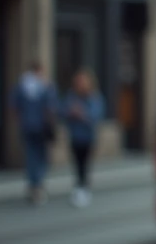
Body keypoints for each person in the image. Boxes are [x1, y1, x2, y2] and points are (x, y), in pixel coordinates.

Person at [12, 60, 59, 206]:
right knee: (40, 156)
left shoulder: (21, 85)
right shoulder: (45, 86)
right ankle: (37, 185)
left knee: (31, 155)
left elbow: (14, 106)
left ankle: (33, 184)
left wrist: (22, 119)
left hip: (27, 126)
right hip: (41, 127)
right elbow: (52, 107)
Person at [64, 68, 105, 208]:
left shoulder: (93, 97)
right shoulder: (72, 96)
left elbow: (95, 117)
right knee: (77, 164)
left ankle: (84, 189)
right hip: (75, 136)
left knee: (85, 164)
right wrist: (70, 113)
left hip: (88, 137)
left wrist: (81, 113)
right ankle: (79, 188)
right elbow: (63, 111)